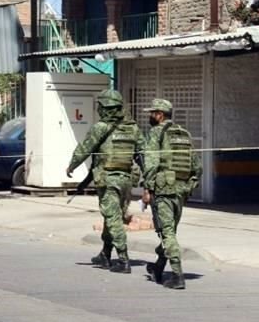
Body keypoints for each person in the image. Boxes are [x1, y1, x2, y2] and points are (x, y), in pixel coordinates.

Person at [66, 89, 141, 273]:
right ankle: (105, 254)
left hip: (108, 180)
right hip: (126, 180)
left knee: (113, 218)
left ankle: (123, 259)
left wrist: (71, 166)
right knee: (113, 216)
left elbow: (85, 148)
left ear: (105, 108)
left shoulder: (101, 127)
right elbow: (143, 154)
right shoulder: (133, 128)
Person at [140, 99, 202, 290]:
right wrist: (190, 186)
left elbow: (150, 163)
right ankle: (158, 267)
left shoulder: (156, 132)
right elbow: (196, 166)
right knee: (170, 232)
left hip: (164, 190)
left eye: (152, 113)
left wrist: (147, 189)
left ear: (160, 114)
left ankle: (177, 275)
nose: (149, 116)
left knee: (166, 233)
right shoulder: (184, 134)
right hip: (180, 190)